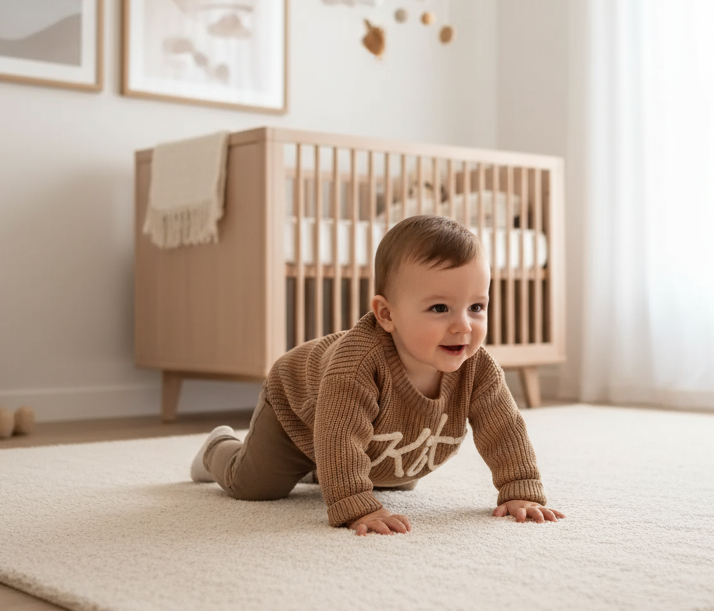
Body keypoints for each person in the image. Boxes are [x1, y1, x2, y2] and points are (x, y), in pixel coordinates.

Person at [190, 214, 564, 534]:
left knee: (396, 481)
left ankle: (324, 469)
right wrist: (355, 504)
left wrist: (520, 487)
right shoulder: (357, 365)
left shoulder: (478, 367)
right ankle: (217, 448)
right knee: (257, 486)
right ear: (386, 315)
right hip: (298, 411)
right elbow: (339, 433)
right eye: (439, 308)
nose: (463, 326)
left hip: (375, 441)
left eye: (476, 307)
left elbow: (504, 429)